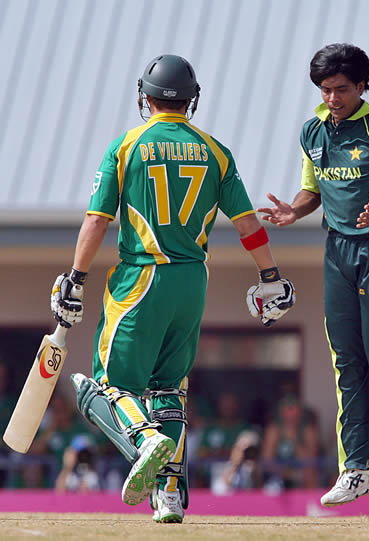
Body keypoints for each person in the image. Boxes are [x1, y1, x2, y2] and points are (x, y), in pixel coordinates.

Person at [50, 54, 295, 524]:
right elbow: (247, 224)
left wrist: (75, 279)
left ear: (145, 97)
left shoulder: (126, 146)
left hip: (142, 278)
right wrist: (270, 277)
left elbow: (98, 220)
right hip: (192, 282)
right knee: (169, 389)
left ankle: (144, 440)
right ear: (191, 99)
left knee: (105, 385)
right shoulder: (216, 151)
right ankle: (169, 496)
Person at [258, 43, 369, 515]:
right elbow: (312, 188)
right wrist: (292, 210)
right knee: (346, 355)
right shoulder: (313, 131)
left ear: (361, 86)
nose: (332, 98)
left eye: (341, 89)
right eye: (325, 89)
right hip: (336, 249)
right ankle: (358, 465)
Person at [261, 393, 321, 489]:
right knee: (272, 487)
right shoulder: (274, 430)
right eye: (288, 409)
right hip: (278, 475)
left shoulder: (308, 430)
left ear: (300, 411)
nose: (291, 413)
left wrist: (294, 440)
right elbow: (267, 460)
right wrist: (285, 473)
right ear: (281, 412)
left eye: (294, 408)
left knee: (310, 475)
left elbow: (310, 460)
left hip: (301, 474)